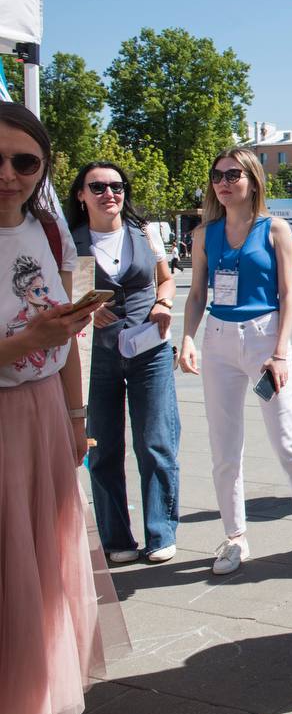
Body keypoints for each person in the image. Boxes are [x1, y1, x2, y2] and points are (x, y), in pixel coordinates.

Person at [0, 101, 124, 714]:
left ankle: (39, 690)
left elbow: (68, 333)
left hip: (48, 409)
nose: (8, 174)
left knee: (44, 560)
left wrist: (77, 418)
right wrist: (28, 341)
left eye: (24, 162)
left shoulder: (48, 230)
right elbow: (43, 335)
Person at [179, 148, 292, 575]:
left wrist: (280, 352)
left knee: (286, 437)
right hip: (219, 339)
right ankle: (234, 536)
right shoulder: (204, 234)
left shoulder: (275, 229)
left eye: (233, 175)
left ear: (252, 180)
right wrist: (187, 338)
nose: (223, 183)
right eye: (217, 175)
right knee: (224, 445)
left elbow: (287, 295)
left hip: (265, 338)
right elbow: (197, 293)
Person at [67, 161, 182, 564]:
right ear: (81, 195)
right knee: (102, 449)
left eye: (116, 187)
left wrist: (164, 302)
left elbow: (165, 279)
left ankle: (160, 533)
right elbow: (63, 293)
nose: (109, 194)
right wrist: (85, 307)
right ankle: (116, 539)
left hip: (149, 350)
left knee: (156, 442)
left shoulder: (144, 233)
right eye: (97, 187)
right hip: (95, 356)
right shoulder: (71, 241)